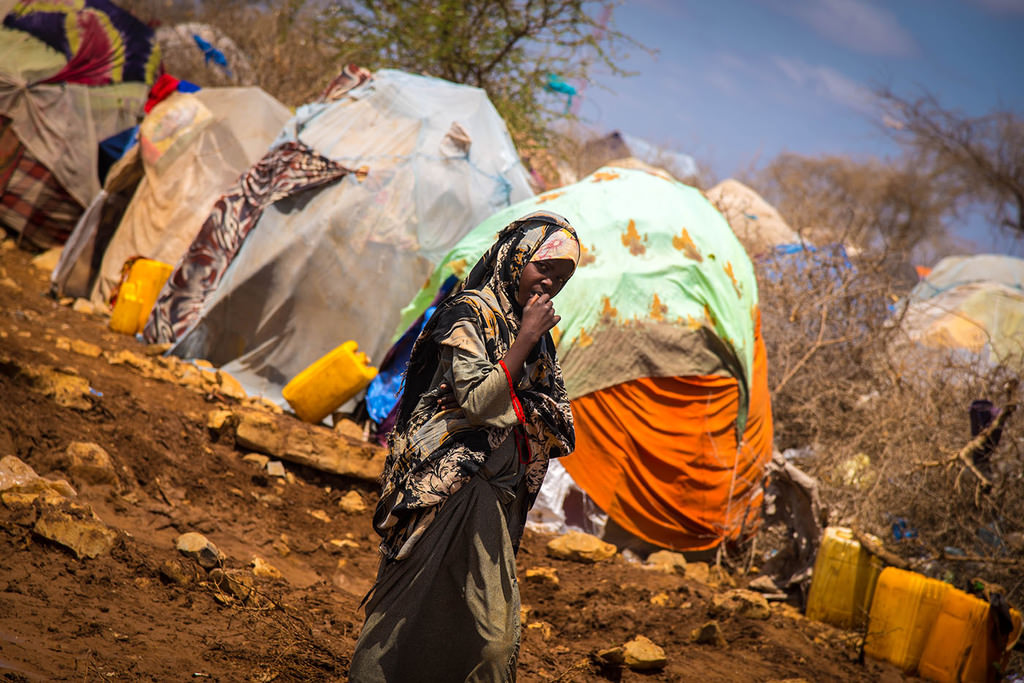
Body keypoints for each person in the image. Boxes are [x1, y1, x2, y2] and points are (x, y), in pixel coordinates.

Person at [349, 211, 580, 682]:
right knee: (400, 618)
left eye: (561, 277)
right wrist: (525, 341)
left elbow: (554, 413)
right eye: (544, 269)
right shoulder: (469, 314)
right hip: (444, 493)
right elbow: (477, 401)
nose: (550, 285)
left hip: (494, 501)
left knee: (492, 638)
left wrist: (530, 355)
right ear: (516, 259)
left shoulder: (535, 335)